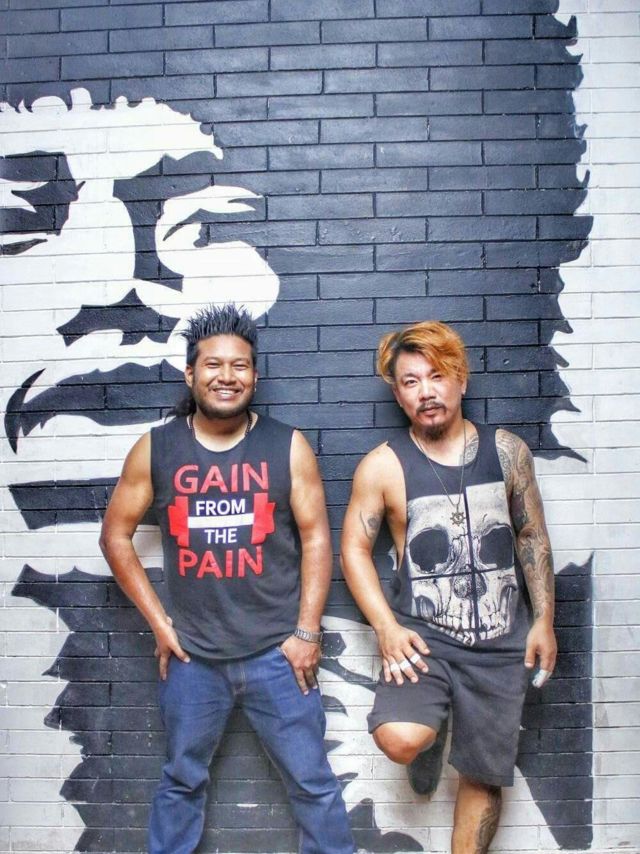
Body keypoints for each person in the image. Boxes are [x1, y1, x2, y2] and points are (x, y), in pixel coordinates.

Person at [99, 303, 354, 854]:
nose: (227, 376)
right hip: (193, 657)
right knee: (181, 781)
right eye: (213, 365)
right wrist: (160, 624)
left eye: (240, 366)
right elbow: (115, 536)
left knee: (313, 784)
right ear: (190, 374)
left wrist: (307, 632)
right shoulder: (157, 448)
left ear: (254, 377)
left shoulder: (287, 446)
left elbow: (316, 538)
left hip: (278, 654)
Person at [340, 320, 557, 854]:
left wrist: (545, 621)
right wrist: (386, 628)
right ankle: (430, 731)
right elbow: (353, 549)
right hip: (424, 636)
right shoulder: (383, 467)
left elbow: (530, 535)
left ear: (461, 378)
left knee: (482, 775)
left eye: (437, 376)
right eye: (410, 382)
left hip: (502, 637)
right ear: (397, 394)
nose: (426, 392)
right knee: (400, 738)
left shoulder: (507, 453)